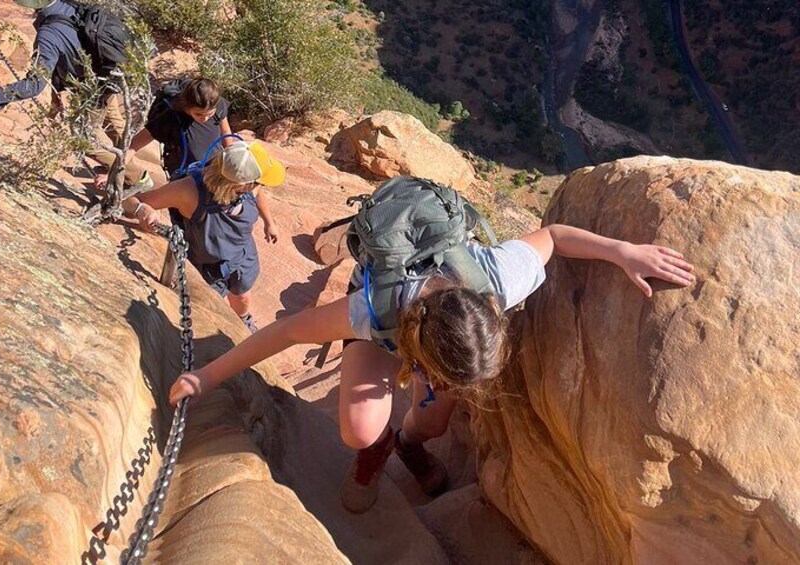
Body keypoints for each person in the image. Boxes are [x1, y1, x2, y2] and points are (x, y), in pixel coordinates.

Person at [165, 179, 696, 513]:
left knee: (436, 421)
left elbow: (554, 236)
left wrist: (623, 251)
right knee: (359, 426)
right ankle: (376, 452)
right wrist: (204, 378)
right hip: (393, 319)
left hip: (435, 329)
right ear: (427, 363)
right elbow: (283, 332)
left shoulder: (495, 278)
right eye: (447, 379)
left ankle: (410, 444)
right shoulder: (372, 311)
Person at [0, 0, 144, 184]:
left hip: (94, 88)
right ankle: (133, 163)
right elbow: (66, 54)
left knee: (82, 140)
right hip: (108, 74)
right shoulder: (69, 6)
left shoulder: (48, 34)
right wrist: (57, 94)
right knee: (114, 122)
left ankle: (134, 176)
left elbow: (33, 85)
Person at [124, 140, 285, 332]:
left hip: (242, 255)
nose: (258, 186)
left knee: (242, 295)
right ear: (241, 184)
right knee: (207, 312)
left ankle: (243, 319)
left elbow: (257, 193)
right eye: (257, 182)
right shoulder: (188, 191)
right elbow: (130, 201)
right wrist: (142, 209)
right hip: (209, 268)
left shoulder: (246, 182)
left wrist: (269, 221)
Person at [94, 77, 237, 189]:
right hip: (185, 179)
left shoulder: (218, 105)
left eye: (209, 114)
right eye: (199, 114)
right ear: (187, 106)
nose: (205, 119)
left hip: (215, 170)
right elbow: (133, 146)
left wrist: (233, 160)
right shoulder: (169, 118)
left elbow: (226, 133)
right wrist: (111, 173)